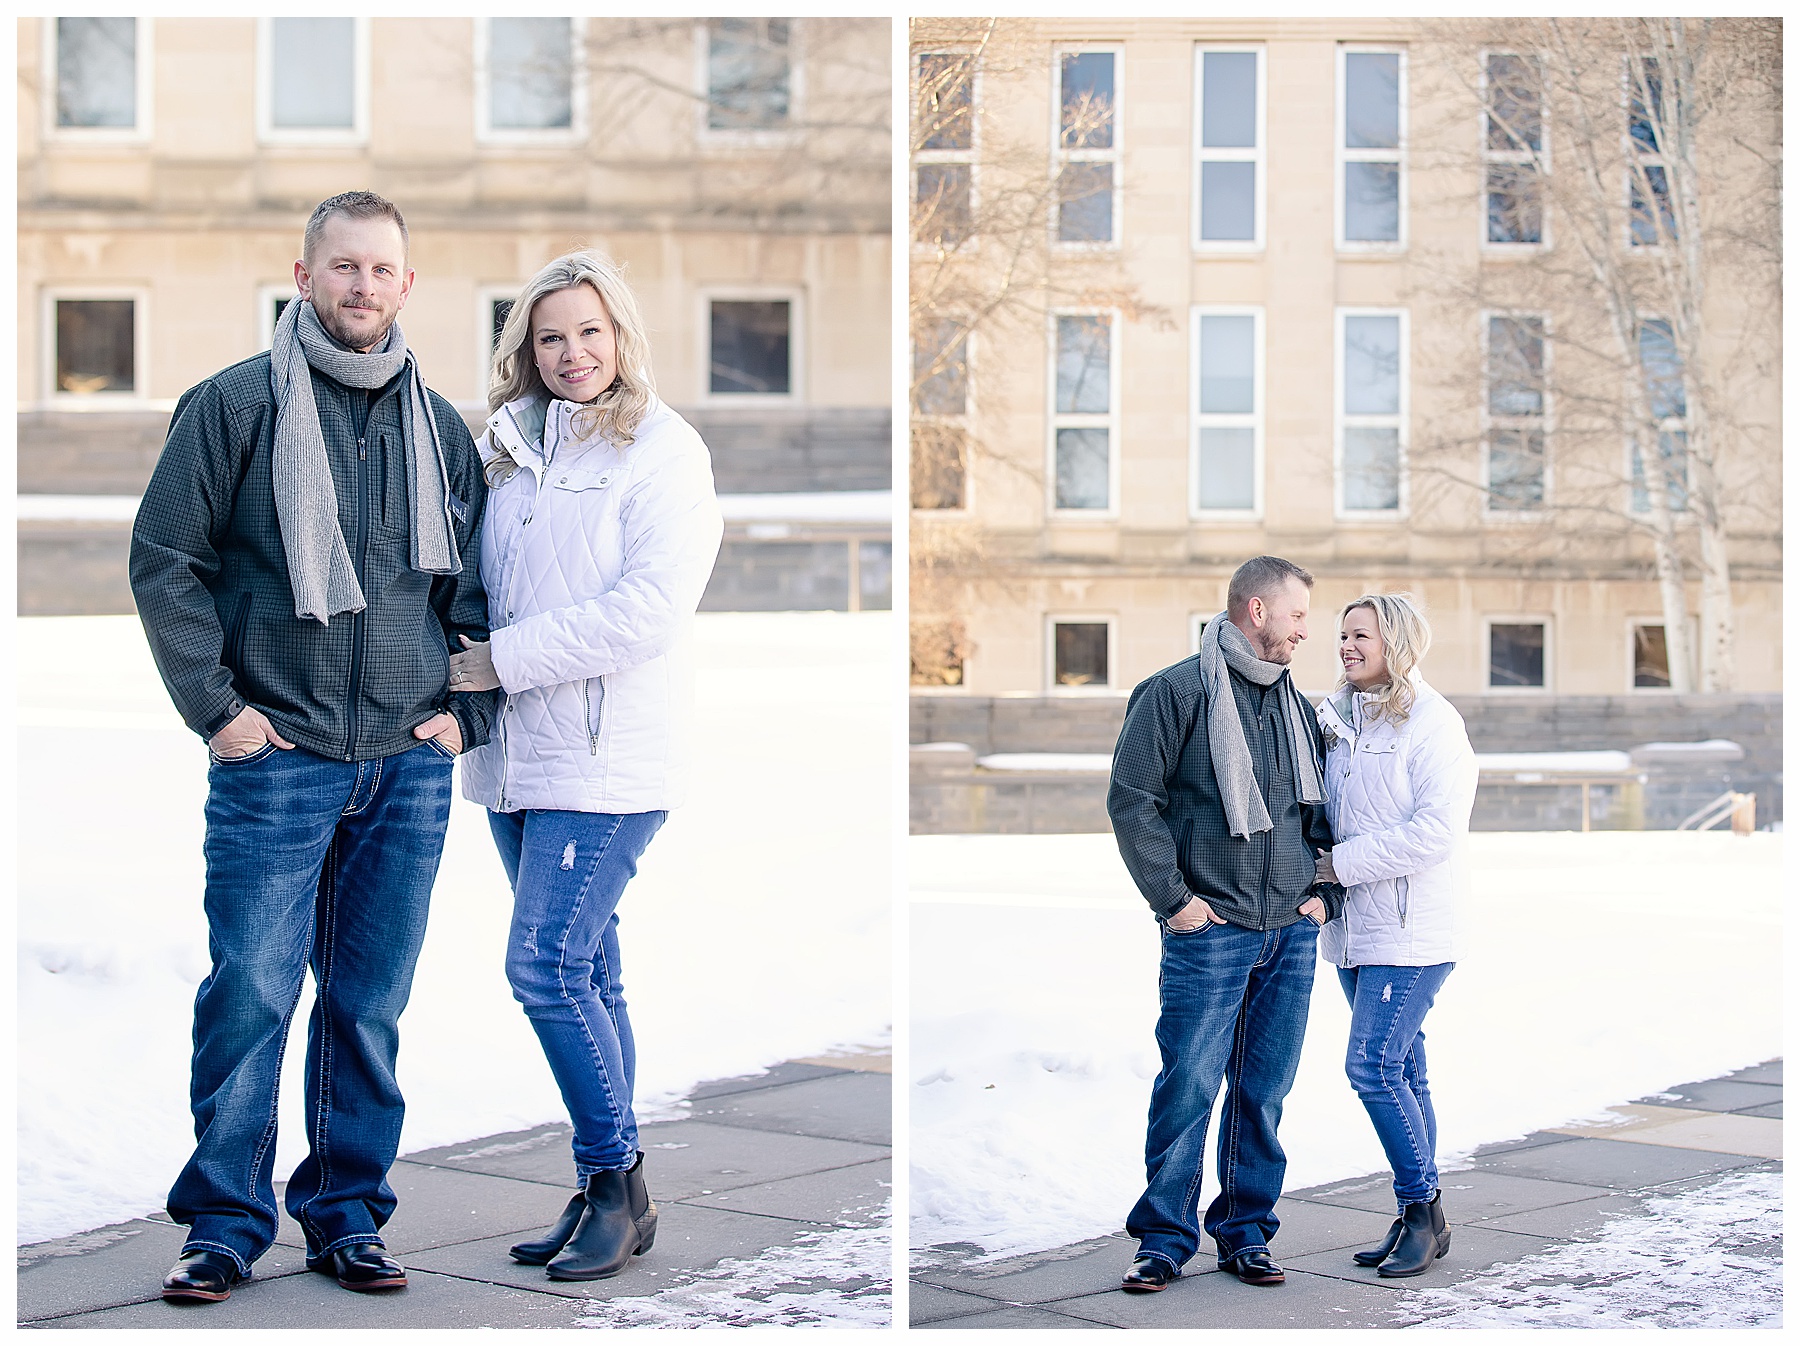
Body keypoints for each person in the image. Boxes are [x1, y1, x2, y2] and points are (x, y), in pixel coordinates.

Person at [130, 191, 497, 1303]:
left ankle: (345, 1214)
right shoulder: (232, 407)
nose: (362, 286)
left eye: (381, 269)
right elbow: (166, 562)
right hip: (275, 756)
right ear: (304, 275)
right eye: (342, 266)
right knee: (249, 990)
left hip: (404, 760)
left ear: (406, 284)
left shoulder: (438, 428)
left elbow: (476, 592)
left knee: (368, 1000)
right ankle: (225, 1224)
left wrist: (462, 718)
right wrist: (219, 710)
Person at [445, 251, 723, 1282]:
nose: (573, 353)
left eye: (591, 332)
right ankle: (606, 1186)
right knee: (590, 968)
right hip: (518, 759)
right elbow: (476, 578)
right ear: (524, 349)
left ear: (623, 338)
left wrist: (499, 662)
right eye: (550, 336)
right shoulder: (507, 447)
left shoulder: (663, 450)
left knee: (544, 966)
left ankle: (618, 1181)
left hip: (609, 761)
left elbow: (649, 609)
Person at [1107, 556, 1343, 1292]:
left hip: (1289, 931)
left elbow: (1327, 812)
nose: (1310, 631)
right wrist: (1174, 901)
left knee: (1262, 1092)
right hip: (1210, 930)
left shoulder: (1298, 707)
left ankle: (1245, 1234)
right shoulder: (1175, 693)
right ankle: (1164, 1241)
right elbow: (1131, 801)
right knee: (1189, 1087)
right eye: (1299, 614)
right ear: (1258, 611)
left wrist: (1324, 892)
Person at [1313, 593, 1477, 1277]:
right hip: (1357, 932)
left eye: (1362, 636)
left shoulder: (1433, 724)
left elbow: (1437, 831)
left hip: (1412, 934)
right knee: (1404, 1068)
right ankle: (1416, 1216)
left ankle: (1423, 1210)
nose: (1347, 646)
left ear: (1399, 643)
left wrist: (1339, 866)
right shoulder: (1338, 719)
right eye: (1342, 635)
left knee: (1371, 1067)